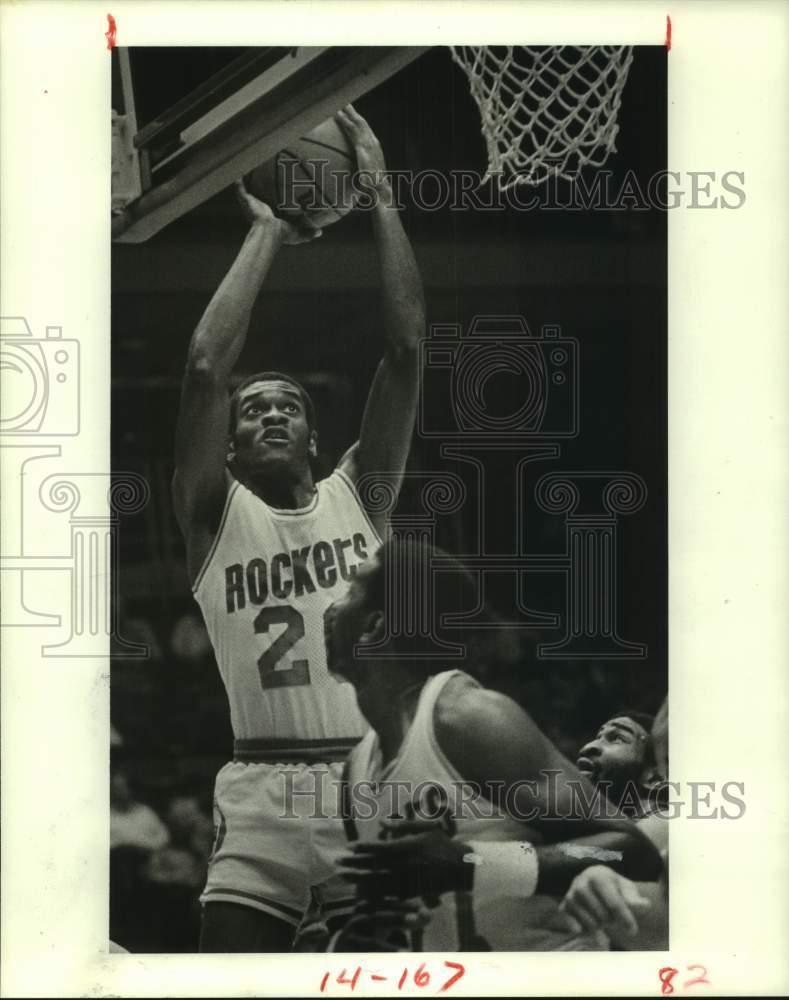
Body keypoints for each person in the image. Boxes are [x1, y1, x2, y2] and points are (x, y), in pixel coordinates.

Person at [172, 105, 424, 951]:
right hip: (262, 791)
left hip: (366, 777)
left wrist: (380, 190)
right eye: (253, 412)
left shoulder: (361, 495)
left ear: (317, 438)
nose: (269, 414)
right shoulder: (214, 517)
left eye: (288, 406)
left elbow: (406, 354)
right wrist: (268, 232)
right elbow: (207, 367)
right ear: (232, 446)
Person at [324, 538, 663, 950]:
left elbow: (633, 852)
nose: (331, 608)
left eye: (350, 591)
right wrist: (353, 944)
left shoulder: (465, 717)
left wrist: (469, 864)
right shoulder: (357, 771)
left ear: (375, 625)